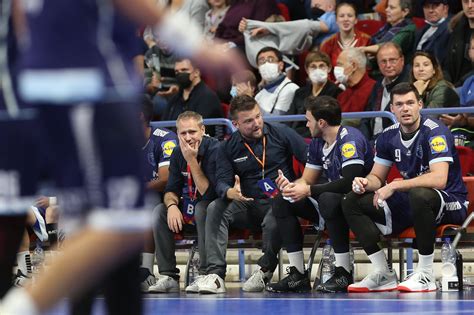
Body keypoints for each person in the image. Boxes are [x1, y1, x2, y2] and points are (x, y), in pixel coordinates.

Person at [0, 0, 243, 314]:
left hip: (51, 87)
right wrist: (199, 47)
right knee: (122, 225)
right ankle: (18, 308)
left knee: (88, 223)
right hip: (86, 86)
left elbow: (23, 19)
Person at [342, 82, 468, 293]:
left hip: (451, 200)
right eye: (399, 104)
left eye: (410, 103)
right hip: (414, 200)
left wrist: (394, 186)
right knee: (350, 201)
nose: (405, 109)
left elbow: (439, 179)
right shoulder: (387, 136)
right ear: (391, 109)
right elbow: (376, 176)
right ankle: (383, 273)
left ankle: (426, 274)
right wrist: (365, 182)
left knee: (420, 194)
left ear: (420, 104)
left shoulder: (436, 132)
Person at [198, 95, 308, 294]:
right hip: (247, 202)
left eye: (258, 116)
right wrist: (230, 191)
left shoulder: (282, 133)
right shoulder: (227, 147)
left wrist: (299, 183)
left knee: (278, 211)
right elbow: (222, 180)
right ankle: (215, 275)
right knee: (214, 207)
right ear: (235, 123)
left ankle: (264, 270)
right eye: (248, 121)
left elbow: (311, 161)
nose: (256, 123)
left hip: (281, 201)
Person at [266, 95, 374, 293]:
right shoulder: (318, 142)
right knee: (283, 200)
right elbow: (307, 180)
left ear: (321, 123)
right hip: (329, 205)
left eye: (309, 120)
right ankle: (297, 275)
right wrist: (291, 187)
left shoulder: (350, 139)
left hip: (358, 206)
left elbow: (348, 183)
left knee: (329, 198)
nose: (306, 124)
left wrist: (307, 190)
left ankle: (343, 273)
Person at [148, 111, 219, 293]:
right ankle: (168, 276)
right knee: (159, 211)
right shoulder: (177, 153)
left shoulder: (215, 149)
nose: (188, 138)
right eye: (183, 133)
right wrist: (171, 205)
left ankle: (204, 274)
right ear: (177, 134)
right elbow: (171, 189)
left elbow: (208, 193)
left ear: (202, 130)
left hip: (212, 214)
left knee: (204, 208)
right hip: (187, 212)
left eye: (192, 132)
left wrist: (192, 161)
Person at [139, 96, 178, 292]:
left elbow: (164, 180)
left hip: (171, 195)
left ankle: (146, 271)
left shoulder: (165, 139)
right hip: (144, 194)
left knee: (146, 206)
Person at [361, 42, 410, 141]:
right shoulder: (378, 84)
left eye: (392, 60)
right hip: (373, 142)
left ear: (402, 60)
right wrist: (364, 142)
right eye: (383, 61)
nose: (388, 65)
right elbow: (366, 117)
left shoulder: (409, 84)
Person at [161, 58, 223, 135]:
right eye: (177, 72)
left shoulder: (208, 97)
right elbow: (163, 126)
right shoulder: (174, 99)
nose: (180, 74)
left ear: (196, 72)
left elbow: (201, 130)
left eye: (184, 70)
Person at [288, 51, 342, 137]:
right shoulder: (300, 92)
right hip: (295, 135)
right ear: (307, 70)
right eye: (313, 66)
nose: (317, 70)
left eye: (321, 66)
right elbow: (290, 118)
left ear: (329, 68)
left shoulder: (336, 92)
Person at [320, 2, 372, 68]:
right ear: (336, 20)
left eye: (350, 16)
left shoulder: (367, 40)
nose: (345, 19)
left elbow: (370, 68)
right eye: (341, 16)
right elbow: (324, 69)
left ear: (356, 20)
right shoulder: (327, 44)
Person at [254, 47, 299, 116]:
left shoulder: (290, 88)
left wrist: (251, 103)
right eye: (261, 61)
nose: (266, 64)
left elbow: (277, 120)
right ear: (258, 68)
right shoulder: (259, 94)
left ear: (281, 65)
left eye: (270, 59)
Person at [335, 47, 376, 114]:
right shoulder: (342, 95)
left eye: (340, 65)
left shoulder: (374, 90)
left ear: (353, 66)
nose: (336, 69)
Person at [443, 0, 474, 86]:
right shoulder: (456, 29)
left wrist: (458, 86)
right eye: (466, 2)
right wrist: (446, 84)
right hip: (454, 86)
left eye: (473, 1)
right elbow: (447, 64)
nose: (470, 6)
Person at [413, 0, 451, 66]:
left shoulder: (450, 29)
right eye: (427, 7)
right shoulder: (421, 30)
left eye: (435, 6)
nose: (430, 10)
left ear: (445, 8)